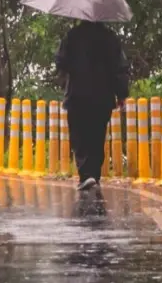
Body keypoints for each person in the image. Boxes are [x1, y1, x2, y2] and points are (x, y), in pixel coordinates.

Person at [55, 20, 129, 191]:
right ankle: (93, 175)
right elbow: (120, 68)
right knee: (97, 136)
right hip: (102, 96)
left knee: (79, 136)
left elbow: (61, 61)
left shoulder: (72, 35)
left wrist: (70, 71)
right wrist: (122, 93)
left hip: (77, 95)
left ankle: (85, 175)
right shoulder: (110, 38)